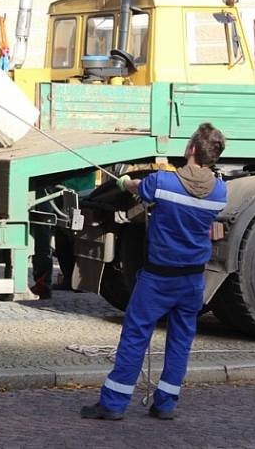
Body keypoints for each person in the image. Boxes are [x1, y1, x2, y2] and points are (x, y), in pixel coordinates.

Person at [81, 122, 227, 420]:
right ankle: (165, 404)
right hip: (192, 280)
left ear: (192, 149)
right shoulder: (220, 191)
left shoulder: (163, 182)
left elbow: (138, 188)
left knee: (136, 335)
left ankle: (113, 404)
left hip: (159, 278)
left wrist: (123, 183)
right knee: (180, 341)